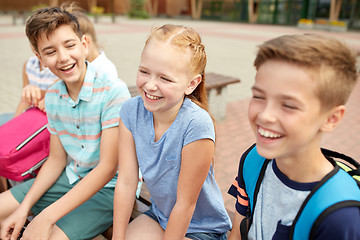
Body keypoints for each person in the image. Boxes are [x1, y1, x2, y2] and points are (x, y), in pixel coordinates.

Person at [0, 6, 130, 240]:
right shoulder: (53, 97)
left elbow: (107, 167)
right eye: (50, 52)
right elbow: (56, 160)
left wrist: (44, 217)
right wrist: (24, 207)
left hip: (108, 189)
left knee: (38, 236)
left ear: (84, 44)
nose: (63, 57)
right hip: (70, 177)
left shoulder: (113, 90)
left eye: (69, 45)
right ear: (38, 58)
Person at [228, 34, 360, 240]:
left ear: (331, 118)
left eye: (288, 105)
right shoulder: (253, 159)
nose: (265, 115)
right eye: (259, 96)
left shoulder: (340, 215)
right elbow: (237, 232)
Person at [113, 24, 232, 240]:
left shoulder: (196, 124)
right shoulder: (130, 111)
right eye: (144, 71)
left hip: (201, 228)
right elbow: (127, 181)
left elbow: (185, 204)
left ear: (191, 84)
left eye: (164, 78)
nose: (150, 85)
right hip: (161, 216)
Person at [60, 1, 119, 81]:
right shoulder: (81, 65)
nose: (64, 56)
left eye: (70, 46)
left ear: (85, 42)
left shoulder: (104, 69)